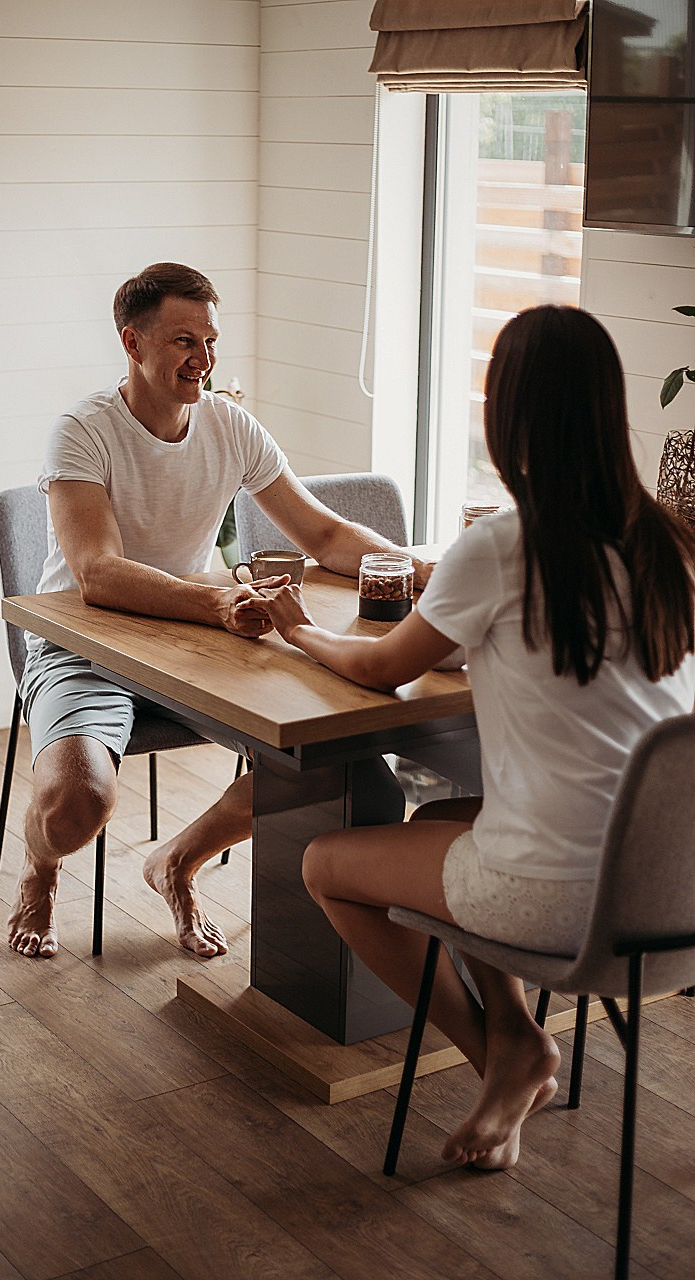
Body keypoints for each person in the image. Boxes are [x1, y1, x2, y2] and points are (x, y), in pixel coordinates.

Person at [251, 306, 695, 1171]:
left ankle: (500, 1052)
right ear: (610, 411)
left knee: (325, 866)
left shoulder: (501, 546)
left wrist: (296, 630)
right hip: (672, 898)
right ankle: (517, 1039)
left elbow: (382, 669)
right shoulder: (668, 546)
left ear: (508, 417)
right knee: (442, 819)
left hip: (563, 903)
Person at [8, 261, 424, 961]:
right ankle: (42, 867)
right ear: (132, 344)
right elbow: (98, 574)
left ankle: (176, 861)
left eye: (210, 340)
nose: (202, 359)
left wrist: (413, 566)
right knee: (77, 807)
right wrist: (216, 601)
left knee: (328, 757)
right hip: (88, 645)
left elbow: (322, 534)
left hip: (197, 640)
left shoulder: (230, 425)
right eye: (182, 342)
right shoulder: (82, 429)